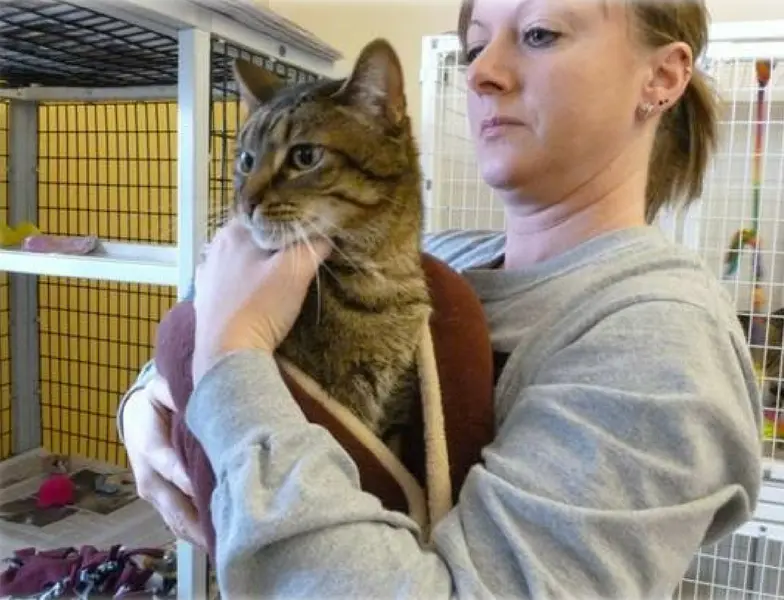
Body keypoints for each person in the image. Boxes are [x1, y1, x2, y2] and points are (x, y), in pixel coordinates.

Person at [117, 0, 764, 597]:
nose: (483, 73)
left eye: (539, 34)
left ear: (663, 77)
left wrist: (228, 364)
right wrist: (144, 406)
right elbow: (219, 325)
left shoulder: (661, 342)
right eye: (474, 47)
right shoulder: (439, 259)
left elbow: (232, 352)